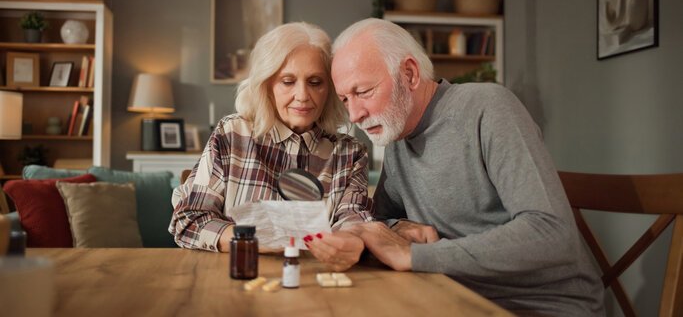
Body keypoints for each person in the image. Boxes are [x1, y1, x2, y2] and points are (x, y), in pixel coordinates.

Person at [314, 18, 605, 316]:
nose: (355, 114)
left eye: (363, 92)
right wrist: (397, 228)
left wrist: (415, 255)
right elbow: (381, 221)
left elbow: (552, 233)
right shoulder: (398, 136)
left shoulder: (488, 107)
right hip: (453, 299)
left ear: (410, 74)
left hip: (541, 308)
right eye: (345, 99)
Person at [169, 22, 368, 271]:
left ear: (330, 88)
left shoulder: (349, 154)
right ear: (267, 85)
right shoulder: (231, 136)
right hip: (234, 282)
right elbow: (188, 220)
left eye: (315, 82)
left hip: (314, 287)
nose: (303, 95)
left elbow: (354, 222)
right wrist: (254, 239)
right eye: (287, 81)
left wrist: (352, 239)